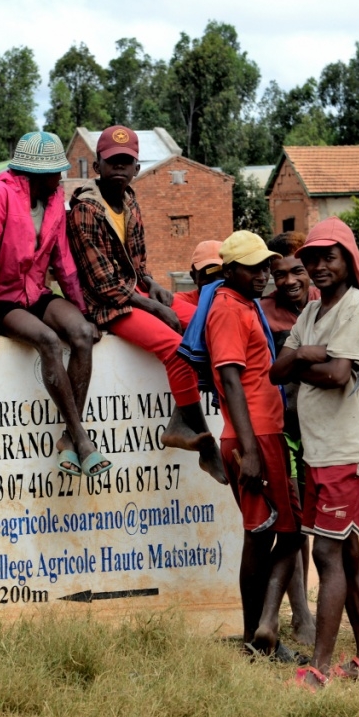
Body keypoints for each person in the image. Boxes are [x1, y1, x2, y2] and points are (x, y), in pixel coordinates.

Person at [272, 218, 359, 685]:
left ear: (347, 259)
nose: (318, 267)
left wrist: (306, 358)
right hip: (318, 451)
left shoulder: (357, 307)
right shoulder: (311, 313)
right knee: (348, 556)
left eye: (329, 257)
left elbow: (340, 375)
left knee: (326, 554)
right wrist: (307, 355)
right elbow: (276, 370)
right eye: (311, 259)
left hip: (345, 452)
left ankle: (319, 668)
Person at [68, 124, 225, 483]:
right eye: (112, 162)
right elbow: (102, 284)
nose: (120, 168)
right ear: (98, 166)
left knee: (209, 318)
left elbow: (136, 264)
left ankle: (182, 420)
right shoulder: (85, 210)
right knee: (174, 345)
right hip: (108, 307)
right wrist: (154, 307)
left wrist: (152, 284)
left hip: (135, 294)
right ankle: (202, 440)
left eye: (127, 162)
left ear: (136, 167)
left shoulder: (132, 201)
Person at [0, 132, 104, 476]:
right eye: (55, 172)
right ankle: (81, 437)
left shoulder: (55, 197)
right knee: (47, 341)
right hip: (2, 299)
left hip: (37, 292)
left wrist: (82, 309)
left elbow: (64, 260)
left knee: (83, 334)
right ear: (32, 174)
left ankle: (68, 440)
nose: (60, 177)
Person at [204, 231, 303, 658]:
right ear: (230, 271)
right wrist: (249, 450)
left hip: (265, 433)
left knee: (285, 530)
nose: (264, 274)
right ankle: (257, 637)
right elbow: (228, 378)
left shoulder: (244, 305)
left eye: (267, 266)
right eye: (254, 268)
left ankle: (261, 631)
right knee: (268, 535)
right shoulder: (227, 308)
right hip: (254, 436)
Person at [262, 231, 319, 646]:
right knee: (294, 528)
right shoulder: (263, 313)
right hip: (285, 433)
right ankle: (300, 615)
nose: (288, 281)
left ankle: (303, 613)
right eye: (278, 273)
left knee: (318, 529)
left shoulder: (325, 306)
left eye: (296, 270)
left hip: (324, 433)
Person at [171, 240, 223, 324]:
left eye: (221, 274)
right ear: (194, 277)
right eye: (208, 276)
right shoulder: (181, 301)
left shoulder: (242, 302)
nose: (216, 282)